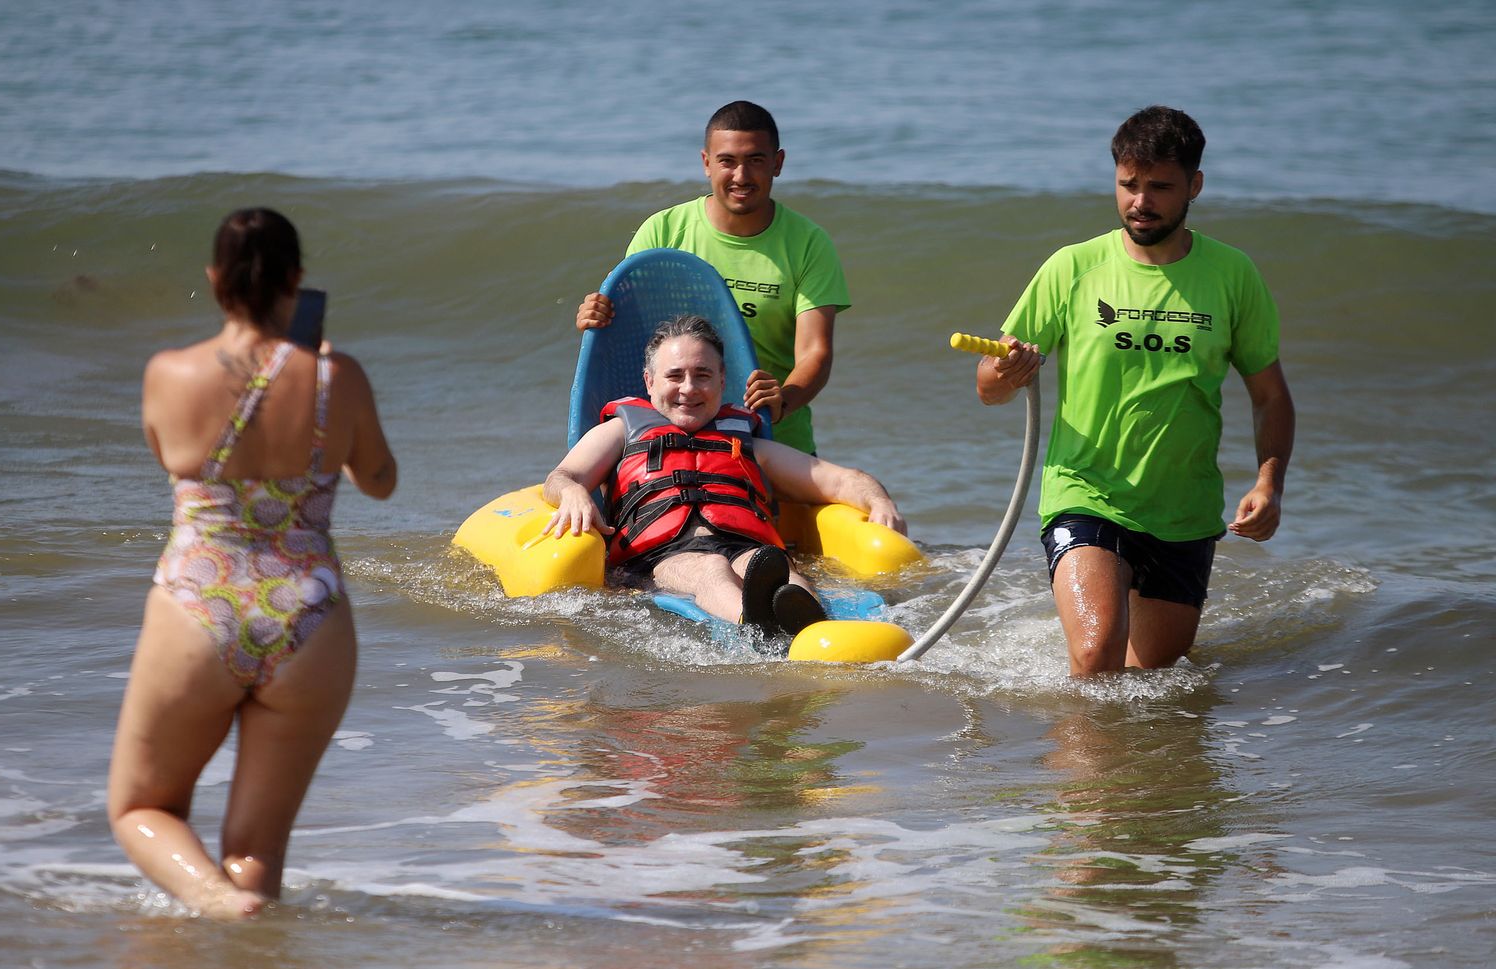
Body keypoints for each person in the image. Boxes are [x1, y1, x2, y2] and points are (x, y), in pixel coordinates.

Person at [108, 207, 397, 918]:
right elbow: (380, 479)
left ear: (214, 279)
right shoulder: (337, 377)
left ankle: (214, 901)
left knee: (142, 806)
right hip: (310, 614)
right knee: (258, 847)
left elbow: (171, 461)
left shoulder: (167, 374)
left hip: (198, 603)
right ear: (297, 280)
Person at [977, 106, 1295, 676]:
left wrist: (1269, 482)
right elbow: (987, 389)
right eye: (1128, 185)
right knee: (1097, 659)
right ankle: (1074, 764)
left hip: (1184, 510)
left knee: (1152, 679)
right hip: (1086, 492)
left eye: (1159, 187)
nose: (1140, 202)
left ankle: (1129, 767)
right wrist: (1009, 370)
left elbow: (1270, 394)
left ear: (1194, 185)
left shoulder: (1233, 274)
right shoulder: (1072, 267)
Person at [544, 314, 903, 641]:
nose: (689, 388)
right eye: (675, 376)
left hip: (744, 547)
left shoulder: (747, 443)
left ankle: (820, 637)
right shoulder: (622, 432)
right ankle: (760, 631)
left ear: (722, 380)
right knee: (712, 568)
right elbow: (560, 477)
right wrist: (573, 492)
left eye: (702, 375)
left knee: (779, 570)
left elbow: (840, 481)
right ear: (649, 382)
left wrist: (879, 500)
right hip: (660, 558)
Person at [575, 100, 849, 455]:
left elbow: (815, 352)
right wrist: (597, 317)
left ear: (777, 163)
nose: (741, 176)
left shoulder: (808, 243)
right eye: (727, 161)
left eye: (755, 160)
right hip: (670, 437)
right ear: (706, 163)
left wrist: (784, 399)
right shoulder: (664, 231)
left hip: (771, 439)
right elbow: (631, 337)